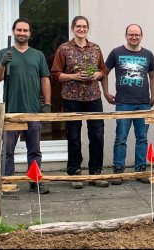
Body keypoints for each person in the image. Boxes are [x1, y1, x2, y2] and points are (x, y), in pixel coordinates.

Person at [0, 17, 51, 194]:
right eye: (19, 30)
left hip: (33, 110)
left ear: (30, 33)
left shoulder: (38, 55)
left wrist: (46, 104)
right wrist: (3, 63)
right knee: (7, 150)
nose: (22, 33)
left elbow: (45, 79)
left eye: (25, 30)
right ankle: (7, 181)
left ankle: (35, 180)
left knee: (34, 149)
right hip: (11, 110)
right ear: (13, 31)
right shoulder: (4, 52)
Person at [51, 16, 109, 189]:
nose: (81, 29)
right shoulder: (64, 49)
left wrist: (98, 75)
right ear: (72, 28)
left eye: (84, 26)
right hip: (72, 98)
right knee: (74, 137)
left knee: (97, 136)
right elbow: (56, 74)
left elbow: (103, 70)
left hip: (93, 98)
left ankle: (95, 173)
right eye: (78, 26)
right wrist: (73, 76)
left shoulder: (95, 48)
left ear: (87, 29)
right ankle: (75, 173)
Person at [101, 24, 154, 185]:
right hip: (123, 103)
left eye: (137, 35)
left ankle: (141, 170)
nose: (134, 37)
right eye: (131, 34)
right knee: (121, 138)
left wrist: (153, 96)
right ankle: (118, 170)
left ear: (142, 36)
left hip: (143, 103)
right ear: (126, 35)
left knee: (142, 138)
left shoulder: (148, 54)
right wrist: (106, 93)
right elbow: (104, 72)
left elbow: (153, 76)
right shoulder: (116, 52)